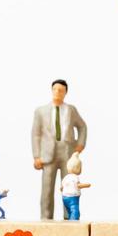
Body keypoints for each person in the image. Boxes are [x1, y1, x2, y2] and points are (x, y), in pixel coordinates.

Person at [32, 79, 88, 220]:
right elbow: (36, 134)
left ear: (65, 93)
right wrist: (36, 156)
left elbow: (82, 126)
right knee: (47, 190)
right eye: (55, 89)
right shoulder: (41, 111)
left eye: (61, 90)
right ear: (51, 90)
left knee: (70, 188)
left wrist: (80, 144)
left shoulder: (71, 110)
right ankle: (46, 219)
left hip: (67, 152)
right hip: (48, 154)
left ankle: (69, 218)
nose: (58, 92)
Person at [60, 154, 91, 220]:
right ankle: (73, 223)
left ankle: (70, 220)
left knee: (69, 211)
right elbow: (78, 185)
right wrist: (87, 185)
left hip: (64, 197)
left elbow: (61, 188)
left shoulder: (66, 177)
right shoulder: (75, 177)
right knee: (75, 211)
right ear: (77, 168)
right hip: (73, 197)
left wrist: (64, 190)